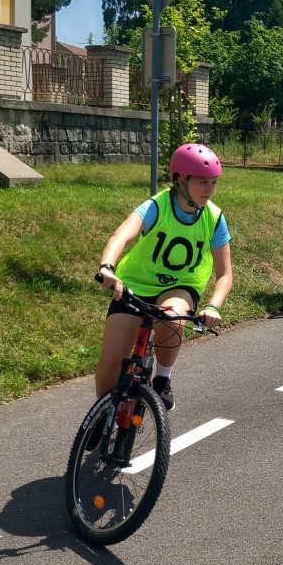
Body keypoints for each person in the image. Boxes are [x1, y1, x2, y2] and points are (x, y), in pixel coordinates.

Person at [95, 143, 231, 411]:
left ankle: (162, 379)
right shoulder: (157, 205)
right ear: (181, 180)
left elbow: (225, 274)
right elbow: (121, 235)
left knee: (171, 317)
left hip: (181, 287)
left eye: (214, 183)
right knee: (111, 360)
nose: (210, 189)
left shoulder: (214, 218)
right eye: (202, 182)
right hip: (134, 284)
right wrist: (107, 267)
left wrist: (214, 305)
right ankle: (103, 412)